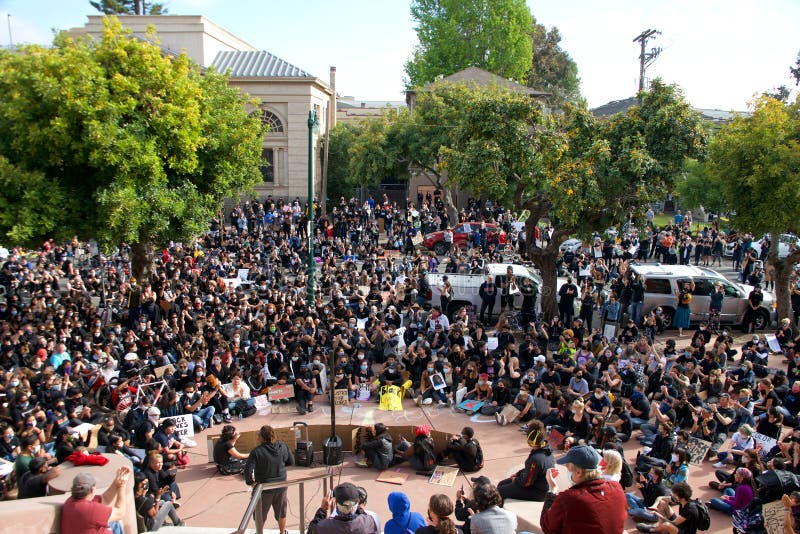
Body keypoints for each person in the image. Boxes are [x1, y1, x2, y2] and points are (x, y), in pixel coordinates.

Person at [540, 445, 627, 534]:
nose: (566, 468)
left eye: (568, 467)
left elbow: (547, 526)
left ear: (579, 472)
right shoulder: (617, 488)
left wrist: (552, 490)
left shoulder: (569, 498)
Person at [244, 425, 295, 534]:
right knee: (281, 512)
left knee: (260, 515)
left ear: (261, 437)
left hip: (264, 489)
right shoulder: (282, 446)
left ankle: (259, 532)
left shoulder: (256, 451)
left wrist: (251, 483)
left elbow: (247, 471)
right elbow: (291, 461)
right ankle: (282, 532)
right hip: (281, 486)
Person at [60, 467, 131, 534]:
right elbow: (120, 513)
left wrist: (117, 481)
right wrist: (122, 486)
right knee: (115, 523)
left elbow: (105, 498)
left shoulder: (70, 501)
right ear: (93, 490)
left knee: (114, 523)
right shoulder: (90, 510)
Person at [497, 420, 554, 501]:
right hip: (537, 483)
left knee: (499, 491)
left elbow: (526, 482)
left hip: (538, 492)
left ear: (530, 441)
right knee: (501, 484)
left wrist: (516, 480)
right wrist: (518, 474)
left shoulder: (536, 459)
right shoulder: (546, 448)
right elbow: (531, 470)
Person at [307, 482, 379, 534]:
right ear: (357, 502)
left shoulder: (323, 527)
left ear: (336, 503)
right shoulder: (368, 521)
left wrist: (323, 509)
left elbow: (311, 530)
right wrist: (357, 506)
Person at [636, 482, 700, 533]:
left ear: (679, 496)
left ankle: (652, 530)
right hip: (681, 524)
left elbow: (673, 523)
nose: (672, 495)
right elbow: (662, 498)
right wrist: (655, 506)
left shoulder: (689, 510)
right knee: (662, 503)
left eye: (674, 494)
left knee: (667, 524)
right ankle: (660, 528)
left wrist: (656, 513)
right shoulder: (684, 500)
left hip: (685, 531)